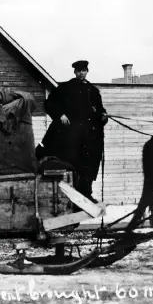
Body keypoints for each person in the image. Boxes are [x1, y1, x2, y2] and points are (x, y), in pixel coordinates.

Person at [38, 60, 108, 203]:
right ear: (74, 72)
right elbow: (49, 103)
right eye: (79, 71)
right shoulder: (65, 88)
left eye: (84, 70)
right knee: (71, 163)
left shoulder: (93, 91)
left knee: (89, 165)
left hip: (89, 137)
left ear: (87, 71)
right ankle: (69, 196)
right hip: (70, 136)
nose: (81, 73)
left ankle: (86, 195)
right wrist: (60, 115)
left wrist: (103, 116)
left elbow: (100, 110)